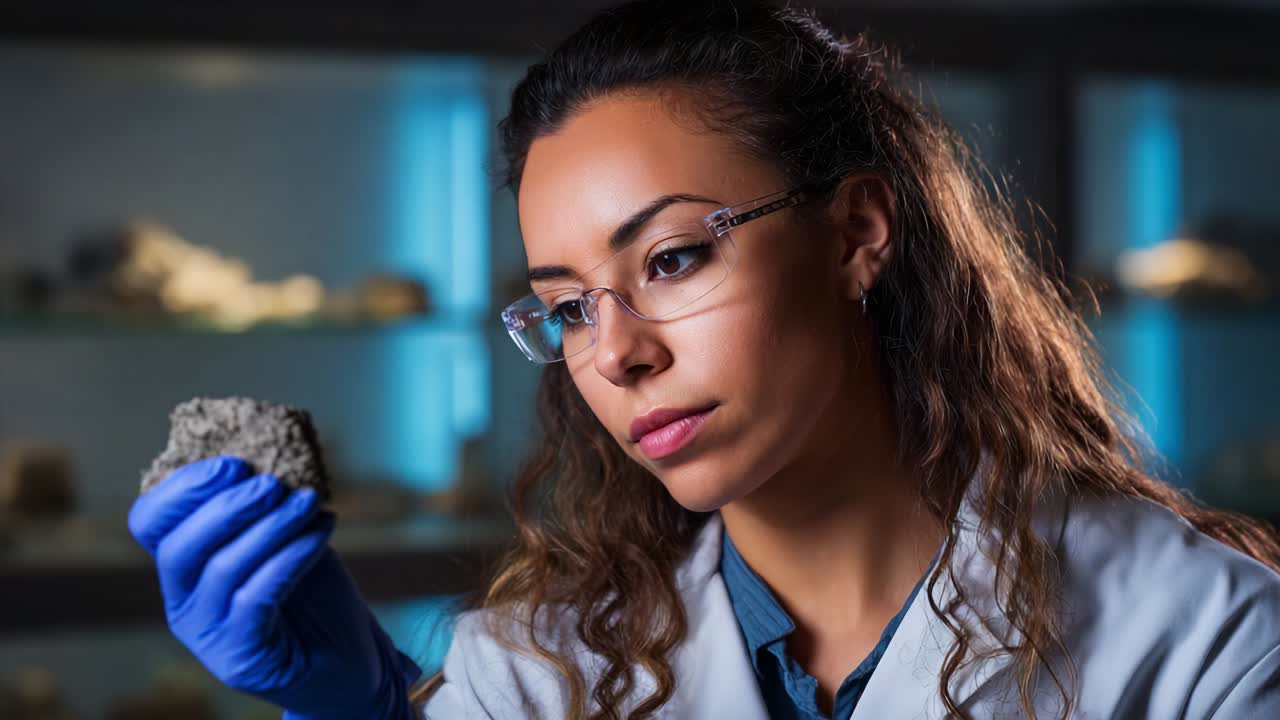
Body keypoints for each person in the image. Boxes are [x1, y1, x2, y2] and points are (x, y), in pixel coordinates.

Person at [127, 1, 1280, 718]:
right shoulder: (532, 676)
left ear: (854, 233)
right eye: (567, 309)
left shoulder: (1198, 640)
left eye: (673, 259)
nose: (615, 353)